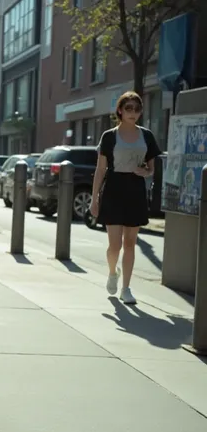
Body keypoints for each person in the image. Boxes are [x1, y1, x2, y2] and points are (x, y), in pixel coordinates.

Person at [90, 91, 161, 305]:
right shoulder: (109, 136)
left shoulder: (146, 135)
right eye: (128, 108)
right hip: (113, 189)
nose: (133, 112)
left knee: (130, 243)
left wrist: (145, 173)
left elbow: (151, 168)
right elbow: (101, 169)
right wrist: (94, 199)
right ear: (120, 110)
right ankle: (113, 272)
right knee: (114, 246)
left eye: (137, 108)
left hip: (136, 190)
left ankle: (126, 288)